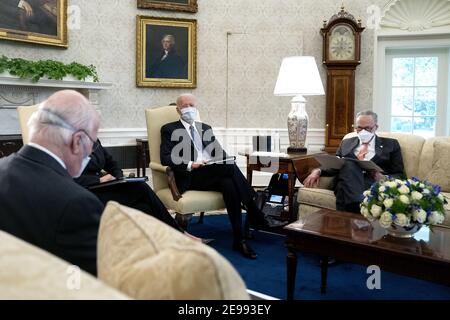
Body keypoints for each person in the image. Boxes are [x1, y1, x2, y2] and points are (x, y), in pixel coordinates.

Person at [160, 93, 282, 259]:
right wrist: (190, 164)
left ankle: (239, 239)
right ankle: (254, 211)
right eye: (185, 106)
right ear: (178, 110)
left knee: (229, 183)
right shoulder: (169, 129)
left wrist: (220, 159)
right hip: (191, 175)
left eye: (192, 105)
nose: (190, 109)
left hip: (211, 171)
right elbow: (166, 157)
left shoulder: (205, 128)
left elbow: (220, 154)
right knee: (229, 168)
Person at [0, 90, 102, 275]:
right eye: (92, 143)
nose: (91, 152)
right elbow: (90, 285)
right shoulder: (77, 204)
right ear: (77, 140)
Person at [74, 139, 211, 243]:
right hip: (88, 192)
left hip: (105, 187)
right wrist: (98, 181)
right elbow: (65, 177)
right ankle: (180, 234)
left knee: (144, 206)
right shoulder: (69, 144)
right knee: (140, 187)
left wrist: (119, 177)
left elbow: (111, 163)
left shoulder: (94, 140)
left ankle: (168, 239)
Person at [303, 110, 405, 213]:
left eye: (367, 128)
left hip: (371, 183)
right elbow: (336, 163)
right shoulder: (347, 143)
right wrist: (318, 171)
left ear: (376, 127)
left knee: (342, 188)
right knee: (349, 163)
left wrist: (383, 178)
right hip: (348, 178)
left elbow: (400, 174)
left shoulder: (391, 144)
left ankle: (347, 217)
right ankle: (359, 208)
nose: (363, 132)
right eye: (359, 128)